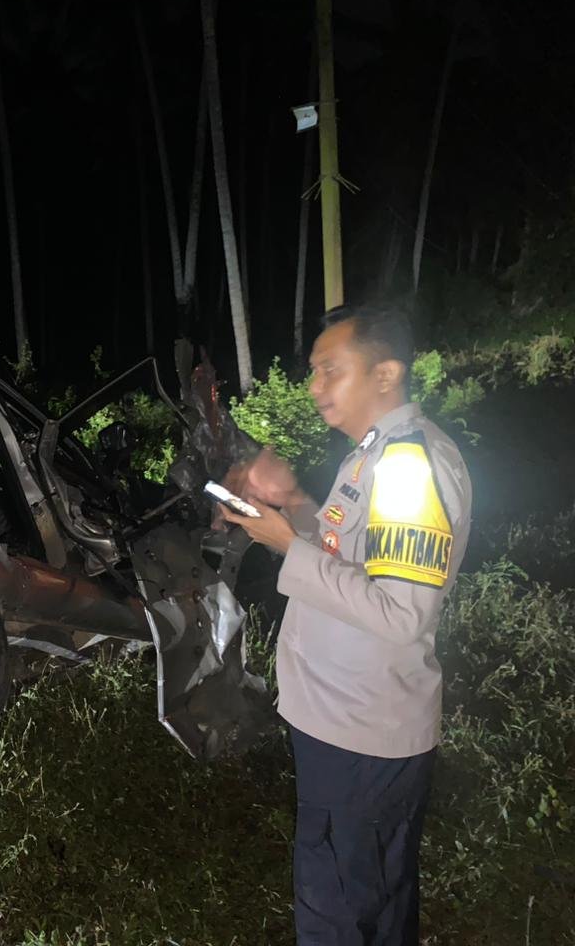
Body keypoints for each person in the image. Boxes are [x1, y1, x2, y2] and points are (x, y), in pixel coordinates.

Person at [218, 304, 472, 945]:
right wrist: (292, 505)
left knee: (344, 912)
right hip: (344, 722)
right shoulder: (374, 457)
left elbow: (401, 612)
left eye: (331, 369)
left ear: (385, 375)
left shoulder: (408, 468)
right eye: (313, 371)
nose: (315, 385)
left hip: (365, 733)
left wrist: (285, 544)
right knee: (368, 899)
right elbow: (347, 556)